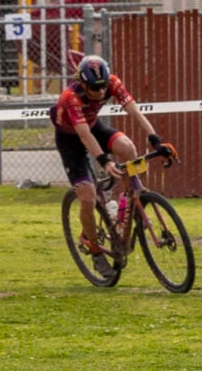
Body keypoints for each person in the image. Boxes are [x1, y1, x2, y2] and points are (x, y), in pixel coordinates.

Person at [52, 53, 173, 255]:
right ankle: (92, 245)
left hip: (92, 126)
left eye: (102, 86)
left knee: (129, 150)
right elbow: (83, 136)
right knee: (88, 197)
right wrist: (104, 160)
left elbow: (134, 111)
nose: (100, 92)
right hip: (70, 138)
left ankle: (124, 210)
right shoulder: (70, 98)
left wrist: (155, 139)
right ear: (82, 83)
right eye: (94, 88)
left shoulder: (112, 83)